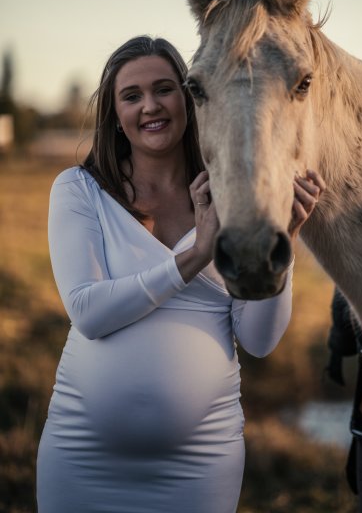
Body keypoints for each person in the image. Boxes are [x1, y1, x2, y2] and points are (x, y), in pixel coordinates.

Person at [36, 35, 325, 513]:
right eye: (132, 95)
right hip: (82, 455)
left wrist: (285, 238)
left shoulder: (230, 196)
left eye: (164, 89)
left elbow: (259, 340)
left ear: (189, 99)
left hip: (200, 462)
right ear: (116, 114)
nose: (150, 106)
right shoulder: (80, 189)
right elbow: (88, 312)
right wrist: (194, 257)